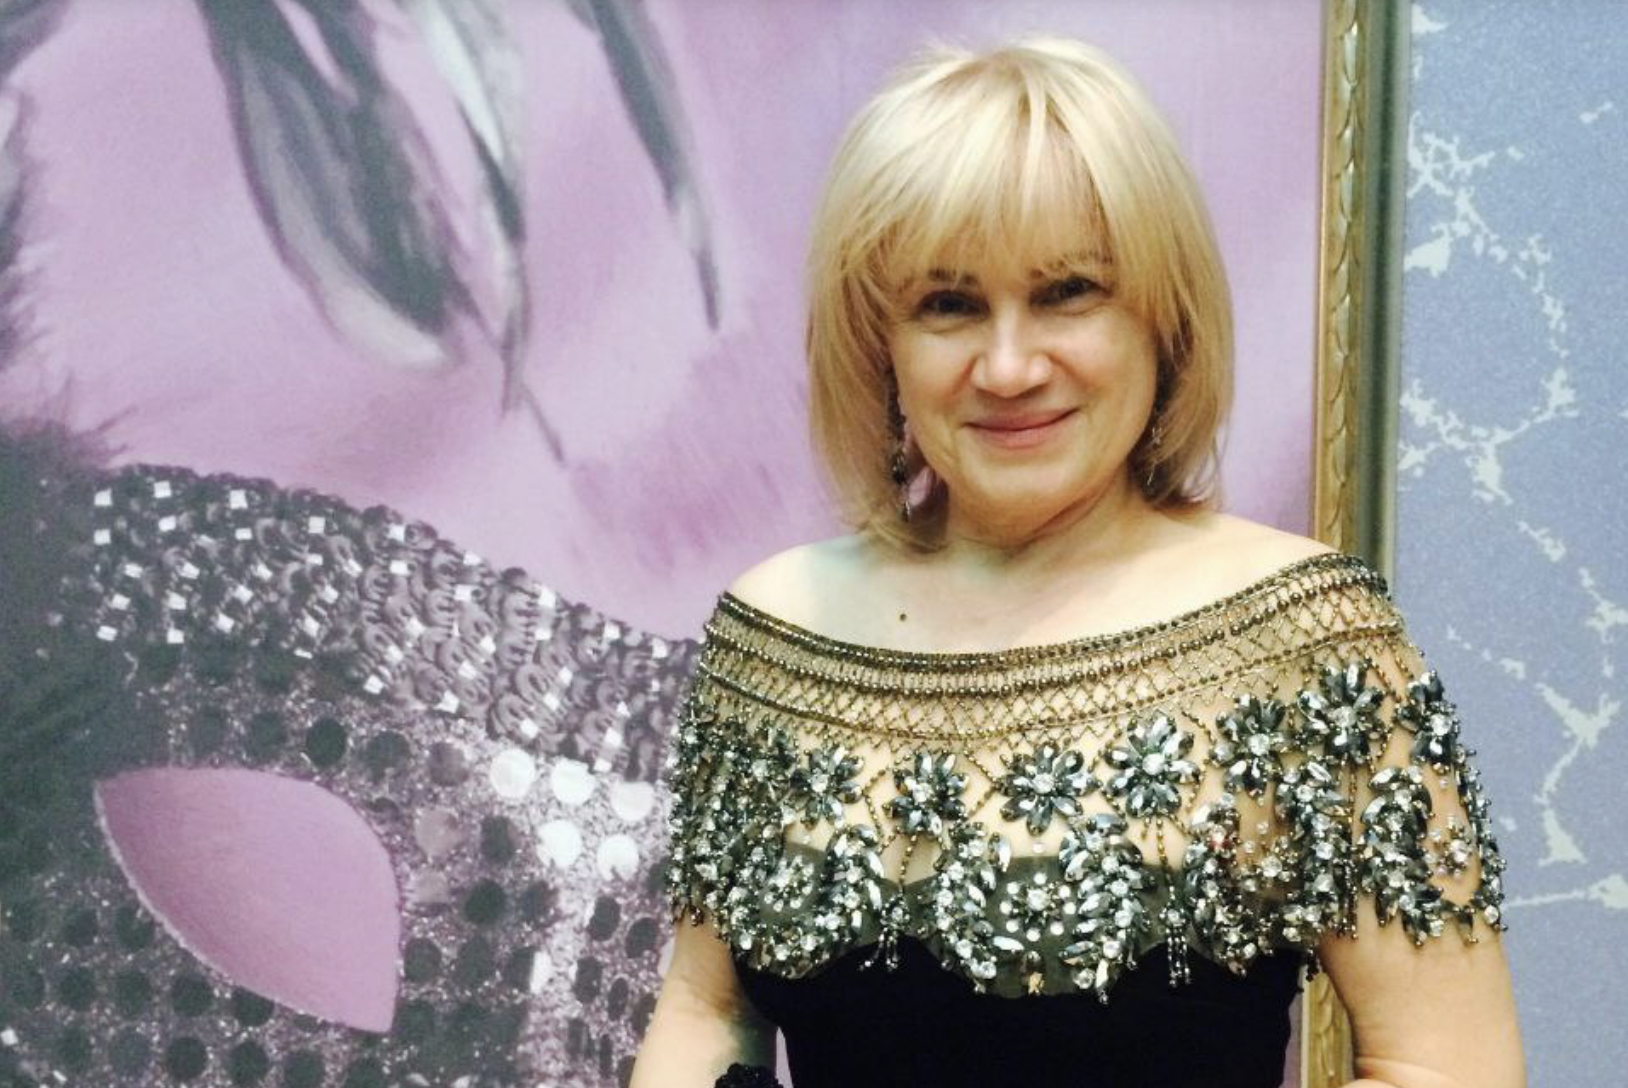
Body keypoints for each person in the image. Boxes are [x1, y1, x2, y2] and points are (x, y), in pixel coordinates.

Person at [630, 35, 1523, 1088]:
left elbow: (1443, 1066)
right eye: (949, 304)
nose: (1009, 366)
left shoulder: (1311, 640)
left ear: (1163, 315)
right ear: (879, 344)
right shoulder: (774, 632)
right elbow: (703, 1013)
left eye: (1065, 292)